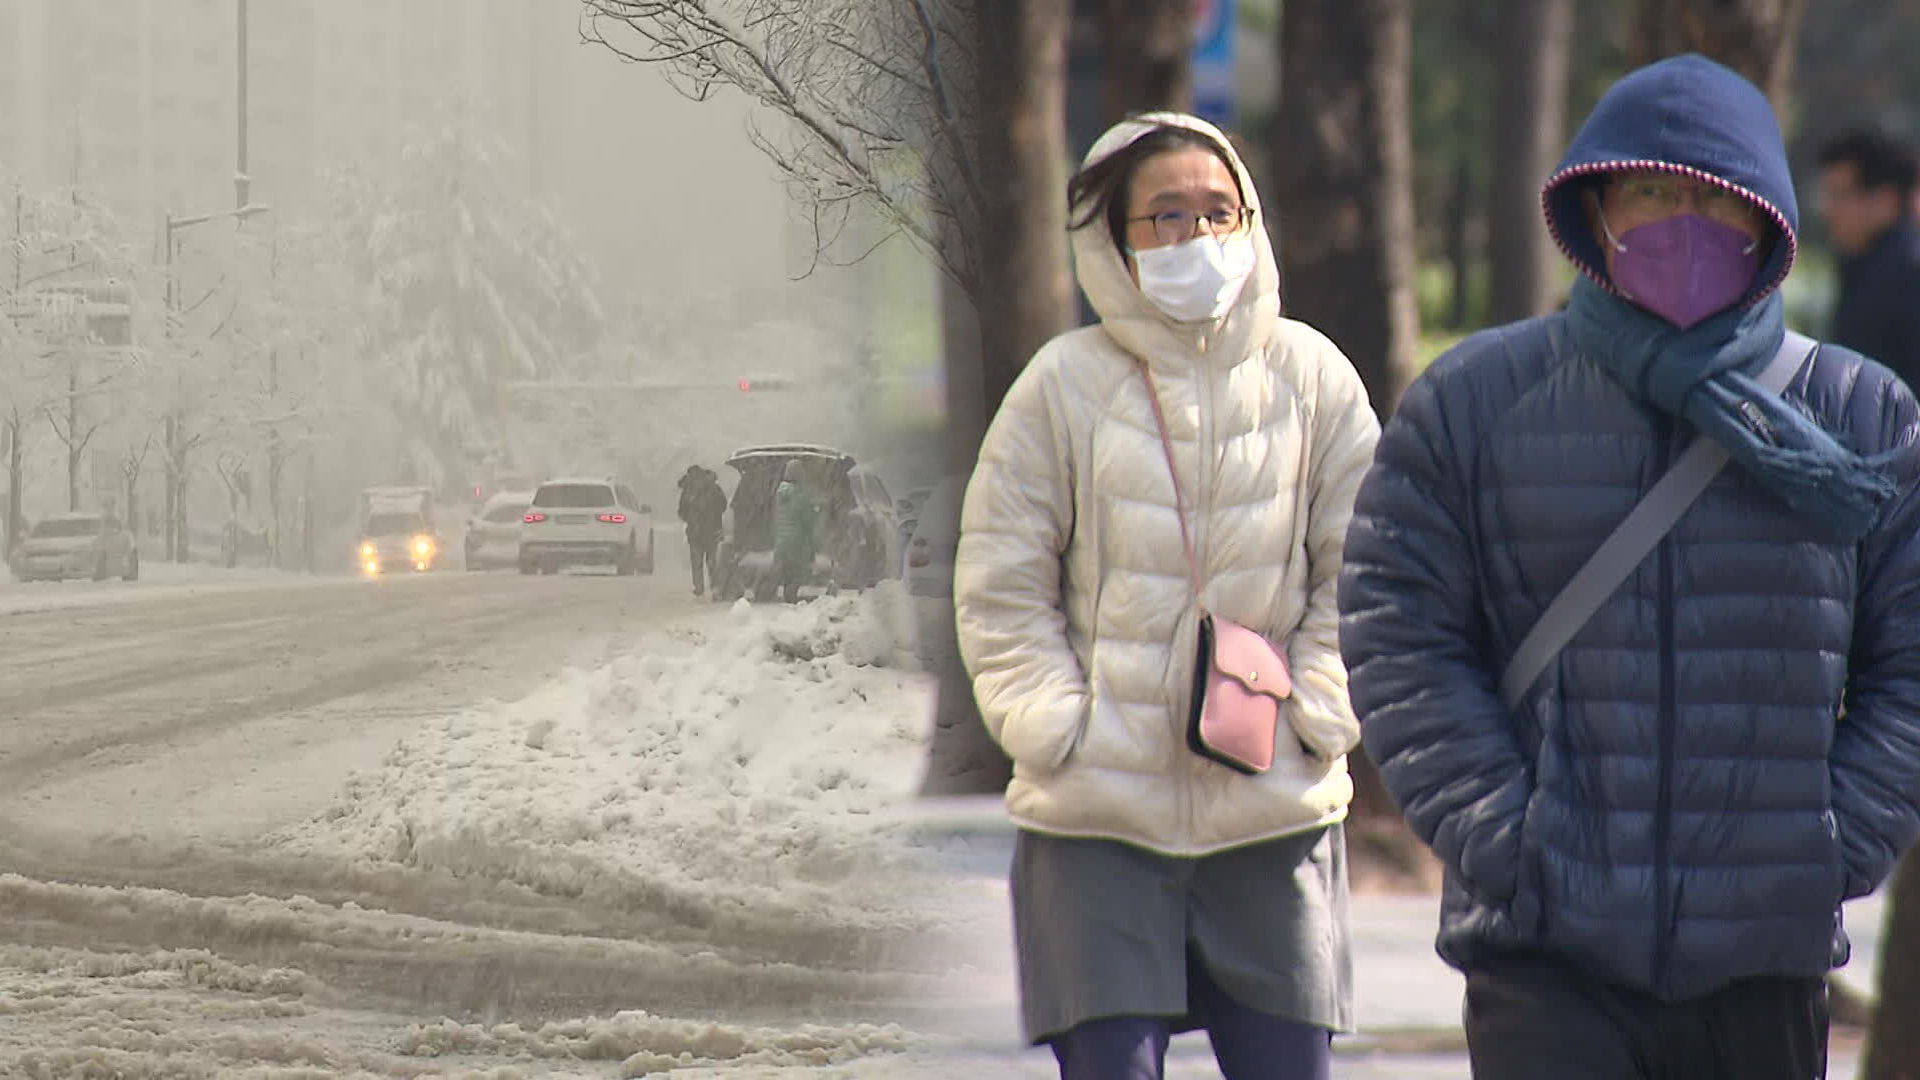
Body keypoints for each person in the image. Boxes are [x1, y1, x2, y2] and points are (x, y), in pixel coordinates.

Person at [1337, 55, 1920, 1080]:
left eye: (1713, 199)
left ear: (1767, 226)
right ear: (1596, 208)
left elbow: (1910, 664)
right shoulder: (1475, 402)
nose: (1680, 222)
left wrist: (1830, 845)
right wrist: (1506, 834)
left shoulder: (1861, 421)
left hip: (1763, 961)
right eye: (1651, 191)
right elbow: (1399, 628)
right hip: (1544, 951)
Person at [953, 111, 1381, 1080]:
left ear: (1251, 221)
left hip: (1272, 811)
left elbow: (1366, 570)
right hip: (1100, 823)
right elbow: (1001, 579)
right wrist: (1055, 724)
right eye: (1167, 217)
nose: (1197, 237)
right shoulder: (1060, 388)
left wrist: (1317, 711)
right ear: (1115, 238)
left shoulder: (1313, 379)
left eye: (1218, 212)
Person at [1816, 128, 1920, 389]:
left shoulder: (1908, 277)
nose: (1828, 211)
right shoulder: (1862, 267)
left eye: (1840, 195)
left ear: (1886, 201)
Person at [771, 460, 817, 604]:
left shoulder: (779, 493)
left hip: (781, 537)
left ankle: (787, 595)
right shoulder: (800, 494)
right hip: (797, 538)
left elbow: (777, 516)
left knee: (786, 569)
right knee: (798, 570)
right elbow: (807, 518)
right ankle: (791, 597)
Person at [678, 466, 727, 597]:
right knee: (712, 561)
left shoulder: (688, 490)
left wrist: (690, 518)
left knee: (696, 561)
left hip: (695, 531)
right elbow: (723, 505)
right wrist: (714, 515)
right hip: (712, 529)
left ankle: (699, 587)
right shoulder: (714, 487)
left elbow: (681, 511)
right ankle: (715, 586)